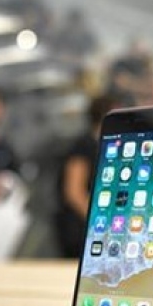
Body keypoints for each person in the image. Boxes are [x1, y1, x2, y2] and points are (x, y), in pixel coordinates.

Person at [54, 95, 117, 258]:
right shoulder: (84, 147)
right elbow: (74, 192)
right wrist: (100, 222)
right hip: (81, 229)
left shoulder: (111, 146)